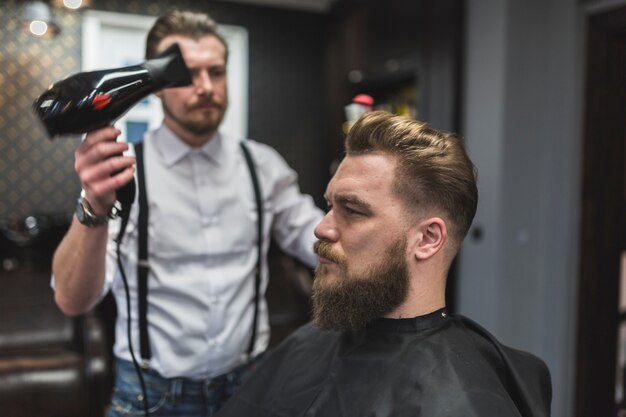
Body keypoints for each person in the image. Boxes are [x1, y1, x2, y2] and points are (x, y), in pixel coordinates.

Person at [51, 8, 323, 417]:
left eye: (216, 71)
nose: (205, 87)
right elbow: (72, 300)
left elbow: (313, 238)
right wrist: (94, 205)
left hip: (251, 384)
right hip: (150, 394)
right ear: (156, 86)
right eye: (188, 74)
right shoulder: (122, 174)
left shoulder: (263, 166)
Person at [215, 111, 552, 417]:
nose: (321, 227)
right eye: (329, 205)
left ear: (427, 239)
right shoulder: (308, 344)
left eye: (353, 210)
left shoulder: (465, 397)